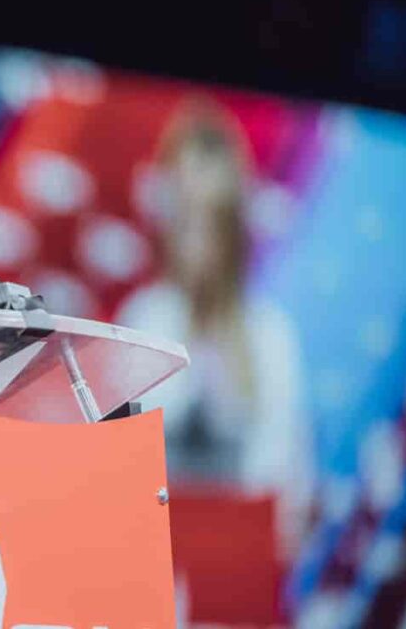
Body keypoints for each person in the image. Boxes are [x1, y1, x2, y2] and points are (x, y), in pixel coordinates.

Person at [116, 98, 311, 557]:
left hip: (237, 563)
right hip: (151, 555)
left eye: (211, 220)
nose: (198, 241)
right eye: (186, 217)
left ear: (234, 223)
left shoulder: (268, 334)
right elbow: (118, 463)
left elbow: (285, 482)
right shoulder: (143, 318)